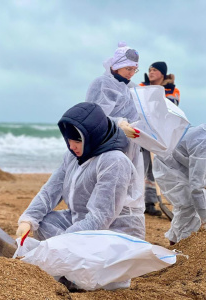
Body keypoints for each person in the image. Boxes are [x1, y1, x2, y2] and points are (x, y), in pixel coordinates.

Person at [16, 102, 145, 290]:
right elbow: (51, 190)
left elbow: (100, 218)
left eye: (77, 141)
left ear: (92, 136)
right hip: (81, 225)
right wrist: (28, 219)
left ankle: (72, 276)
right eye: (68, 140)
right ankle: (67, 273)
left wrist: (57, 247)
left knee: (98, 277)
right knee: (44, 222)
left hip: (113, 235)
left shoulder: (114, 161)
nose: (71, 146)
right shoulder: (72, 156)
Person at [84, 42, 145, 211]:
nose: (132, 74)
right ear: (117, 66)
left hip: (128, 144)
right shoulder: (101, 84)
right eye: (128, 69)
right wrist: (118, 123)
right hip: (105, 144)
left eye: (134, 70)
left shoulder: (130, 88)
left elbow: (137, 113)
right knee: (103, 184)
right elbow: (93, 115)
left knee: (124, 187)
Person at [139, 61, 181, 216]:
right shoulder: (141, 87)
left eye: (154, 70)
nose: (151, 72)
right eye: (149, 70)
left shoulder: (172, 89)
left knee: (153, 170)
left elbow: (171, 106)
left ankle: (149, 202)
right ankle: (135, 201)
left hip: (160, 135)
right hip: (142, 133)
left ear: (162, 73)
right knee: (139, 167)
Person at [153, 124, 206, 245]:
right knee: (188, 205)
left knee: (193, 205)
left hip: (184, 162)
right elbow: (197, 186)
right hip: (168, 166)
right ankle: (183, 248)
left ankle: (176, 243)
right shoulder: (203, 143)